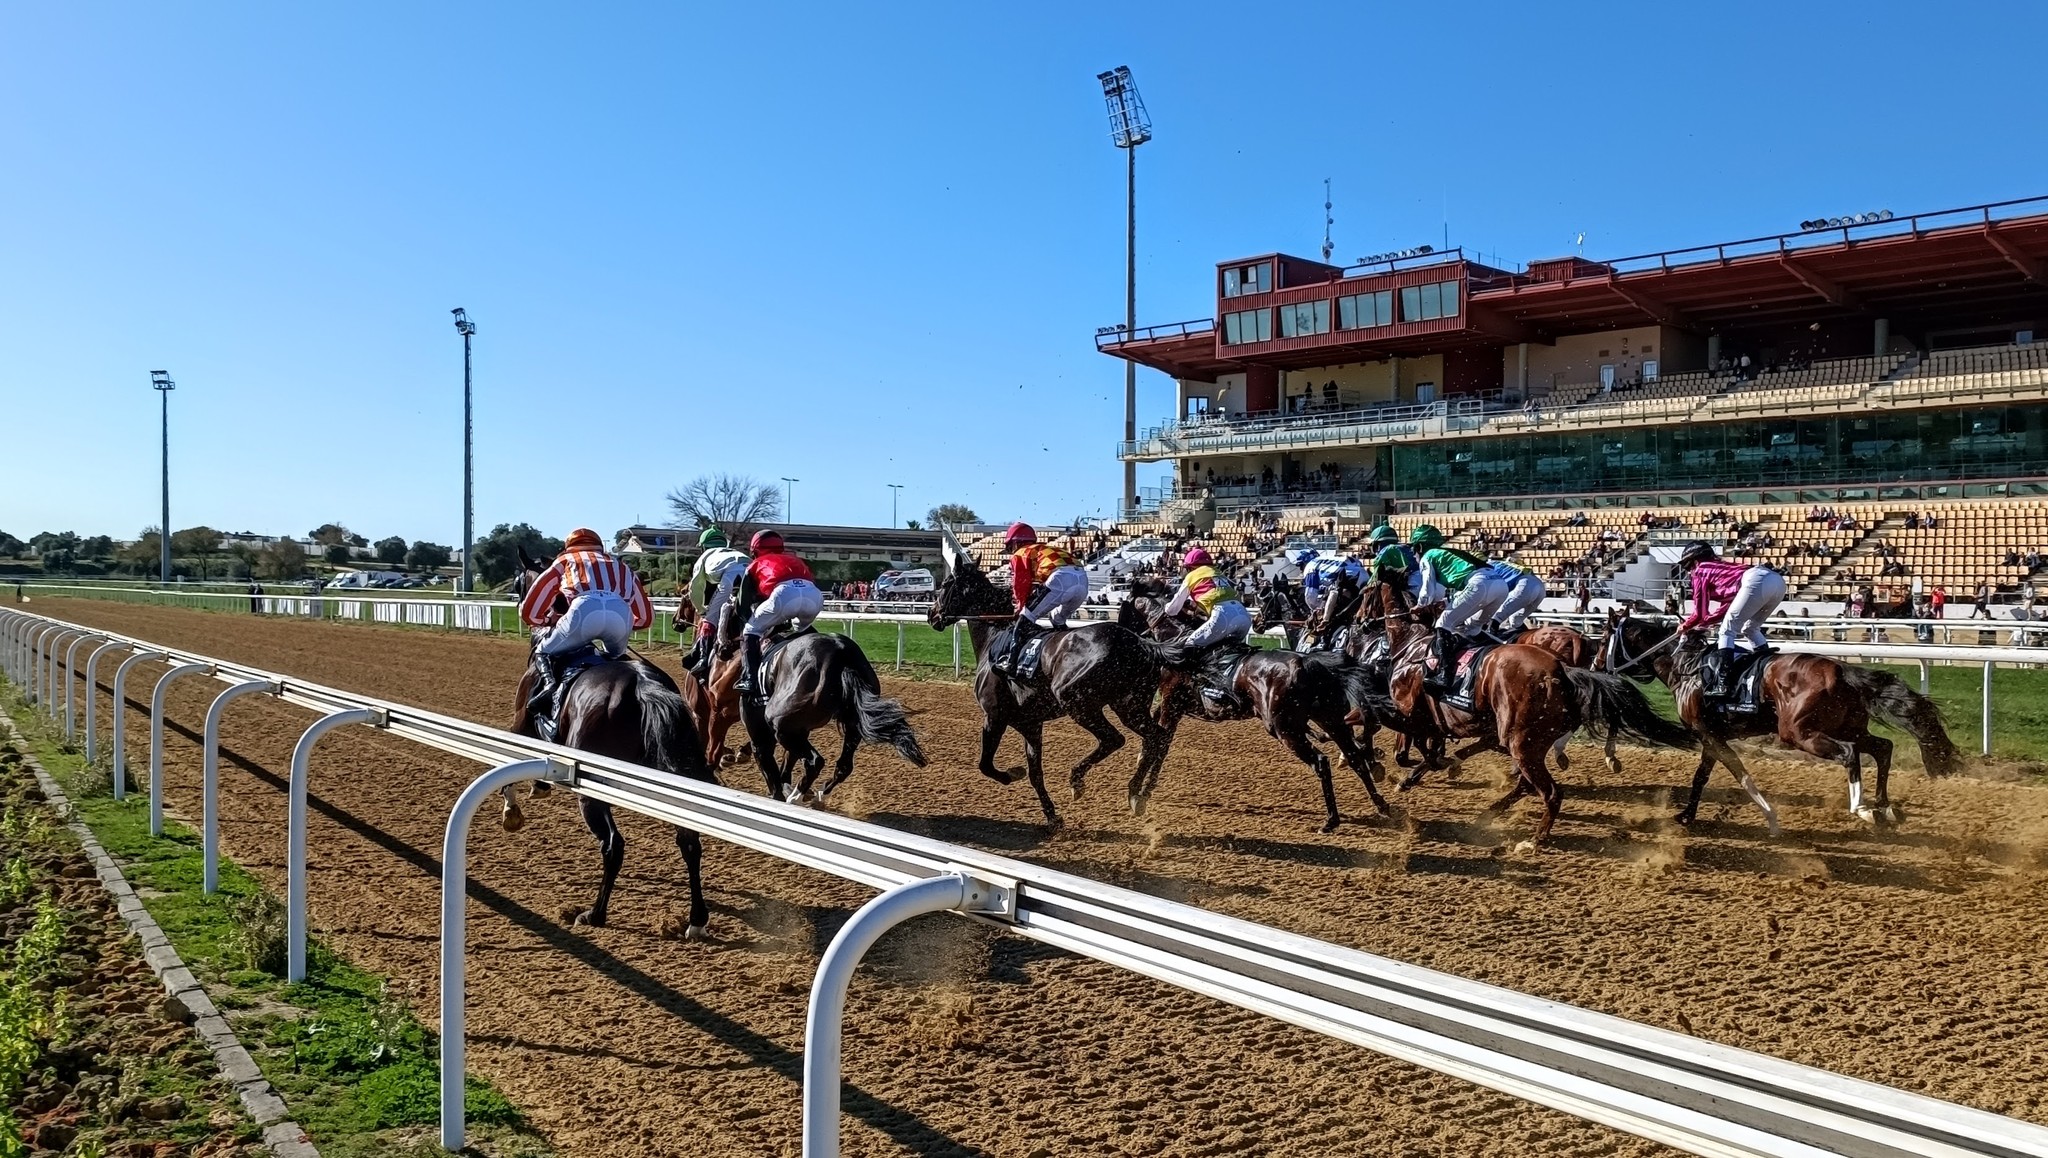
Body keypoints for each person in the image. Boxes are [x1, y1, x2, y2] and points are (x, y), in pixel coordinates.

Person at [517, 527, 655, 718]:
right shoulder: (621, 567)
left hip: (582, 611)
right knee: (616, 659)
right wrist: (629, 624)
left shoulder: (564, 561)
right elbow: (646, 618)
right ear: (599, 547)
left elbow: (529, 611)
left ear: (569, 548)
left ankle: (548, 689)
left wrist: (547, 620)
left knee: (543, 651)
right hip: (620, 615)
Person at [1672, 540, 1787, 702]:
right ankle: (1765, 664)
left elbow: (1699, 613)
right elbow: (1723, 610)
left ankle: (1723, 683)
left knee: (1726, 630)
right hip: (1777, 582)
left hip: (1756, 580)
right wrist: (1700, 625)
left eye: (1687, 565)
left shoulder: (1700, 571)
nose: (1688, 571)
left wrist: (1685, 626)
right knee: (1750, 628)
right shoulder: (1721, 571)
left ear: (1695, 561)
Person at [1411, 525, 1512, 688]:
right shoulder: (1448, 553)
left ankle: (1444, 676)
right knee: (1472, 629)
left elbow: (1427, 590)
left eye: (1413, 549)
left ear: (1420, 546)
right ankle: (1505, 650)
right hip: (1500, 585)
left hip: (1479, 584)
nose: (1413, 553)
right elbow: (1439, 591)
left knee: (1443, 624)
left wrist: (1419, 605)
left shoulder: (1427, 556)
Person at [733, 529, 823, 697]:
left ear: (754, 551)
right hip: (814, 596)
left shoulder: (754, 564)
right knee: (801, 628)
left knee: (750, 630)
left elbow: (742, 605)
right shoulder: (796, 559)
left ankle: (750, 678)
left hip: (784, 595)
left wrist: (748, 622)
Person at [1005, 522, 1089, 644]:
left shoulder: (1020, 553)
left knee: (1025, 619)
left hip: (1060, 578)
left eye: (1009, 548)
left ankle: (1010, 661)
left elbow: (1021, 583)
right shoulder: (1047, 549)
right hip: (1082, 580)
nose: (1010, 552)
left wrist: (1020, 607)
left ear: (1015, 543)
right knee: (1057, 618)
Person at [1160, 548, 1252, 654]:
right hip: (1244, 616)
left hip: (1223, 616)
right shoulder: (1218, 573)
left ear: (1190, 567)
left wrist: (1165, 606)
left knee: (1190, 644)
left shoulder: (1191, 576)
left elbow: (1172, 610)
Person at [686, 526, 751, 674]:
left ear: (703, 546)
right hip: (751, 571)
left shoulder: (704, 557)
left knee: (710, 619)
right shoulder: (736, 552)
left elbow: (695, 589)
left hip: (730, 576)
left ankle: (703, 659)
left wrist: (702, 610)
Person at [1490, 558, 1548, 633]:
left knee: (1496, 616)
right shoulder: (1500, 564)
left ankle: (1489, 640)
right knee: (1515, 620)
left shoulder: (1488, 566)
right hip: (1539, 586)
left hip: (1525, 584)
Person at [1365, 525, 1421, 599]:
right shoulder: (1406, 548)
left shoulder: (1385, 551)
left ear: (1377, 545)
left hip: (1410, 586)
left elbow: (1374, 579)